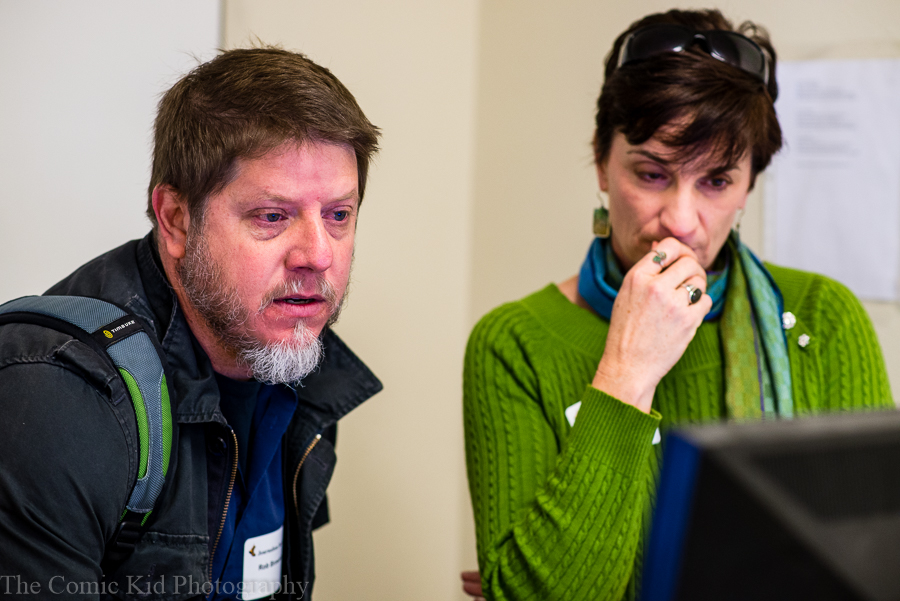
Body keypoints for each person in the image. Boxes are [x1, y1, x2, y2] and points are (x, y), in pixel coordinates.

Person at [462, 9, 894, 601]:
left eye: (716, 181)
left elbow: (872, 564)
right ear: (602, 163)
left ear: (748, 186)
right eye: (652, 174)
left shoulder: (822, 318)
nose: (682, 221)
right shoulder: (514, 343)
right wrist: (627, 371)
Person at [0, 47, 381, 600]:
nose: (318, 255)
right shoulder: (55, 395)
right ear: (176, 220)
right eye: (272, 217)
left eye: (338, 215)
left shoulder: (295, 361)